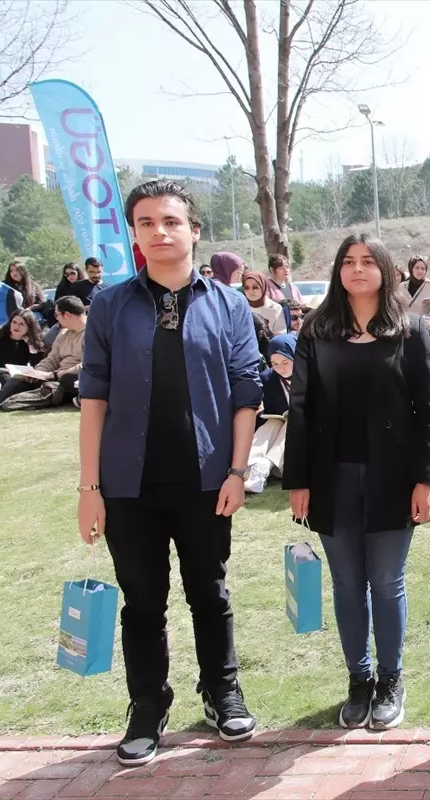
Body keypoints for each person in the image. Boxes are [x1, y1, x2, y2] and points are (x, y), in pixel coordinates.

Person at [76, 179, 262, 767]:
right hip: (129, 484)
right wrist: (89, 487)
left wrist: (237, 469)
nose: (160, 231)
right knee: (142, 602)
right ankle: (147, 707)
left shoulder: (228, 303)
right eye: (147, 222)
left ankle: (222, 691)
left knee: (210, 591)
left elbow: (245, 392)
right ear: (134, 233)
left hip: (206, 478)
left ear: (194, 230)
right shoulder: (109, 305)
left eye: (171, 221)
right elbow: (93, 398)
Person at [283, 232, 430, 731]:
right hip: (332, 477)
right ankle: (360, 678)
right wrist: (298, 480)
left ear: (387, 270)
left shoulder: (413, 331)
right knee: (348, 583)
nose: (356, 269)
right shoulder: (316, 330)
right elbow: (301, 408)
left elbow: (428, 411)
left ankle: (392, 679)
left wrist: (425, 481)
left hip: (394, 478)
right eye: (348, 261)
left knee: (386, 583)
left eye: (367, 261)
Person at [0, 296, 86, 405]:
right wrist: (37, 373)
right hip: (54, 376)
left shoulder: (92, 333)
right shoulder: (63, 333)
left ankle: (11, 402)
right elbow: (52, 359)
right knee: (17, 380)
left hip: (72, 378)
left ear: (66, 315)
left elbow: (86, 365)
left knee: (64, 382)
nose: (56, 319)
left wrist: (53, 375)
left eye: (56, 315)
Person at [245, 334, 297, 494]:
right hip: (280, 434)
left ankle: (265, 465)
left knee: (295, 420)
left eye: (285, 362)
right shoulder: (268, 378)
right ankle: (254, 466)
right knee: (273, 422)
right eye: (274, 364)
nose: (281, 368)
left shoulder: (313, 375)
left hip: (303, 443)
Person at [0, 309, 45, 373]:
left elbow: (38, 367)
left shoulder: (32, 341)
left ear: (29, 328)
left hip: (18, 375)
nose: (16, 326)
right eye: (14, 322)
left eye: (21, 324)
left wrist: (31, 346)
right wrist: (4, 370)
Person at [242, 270, 288, 335]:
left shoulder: (275, 308)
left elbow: (281, 334)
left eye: (255, 287)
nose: (251, 291)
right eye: (246, 288)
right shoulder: (241, 308)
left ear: (263, 287)